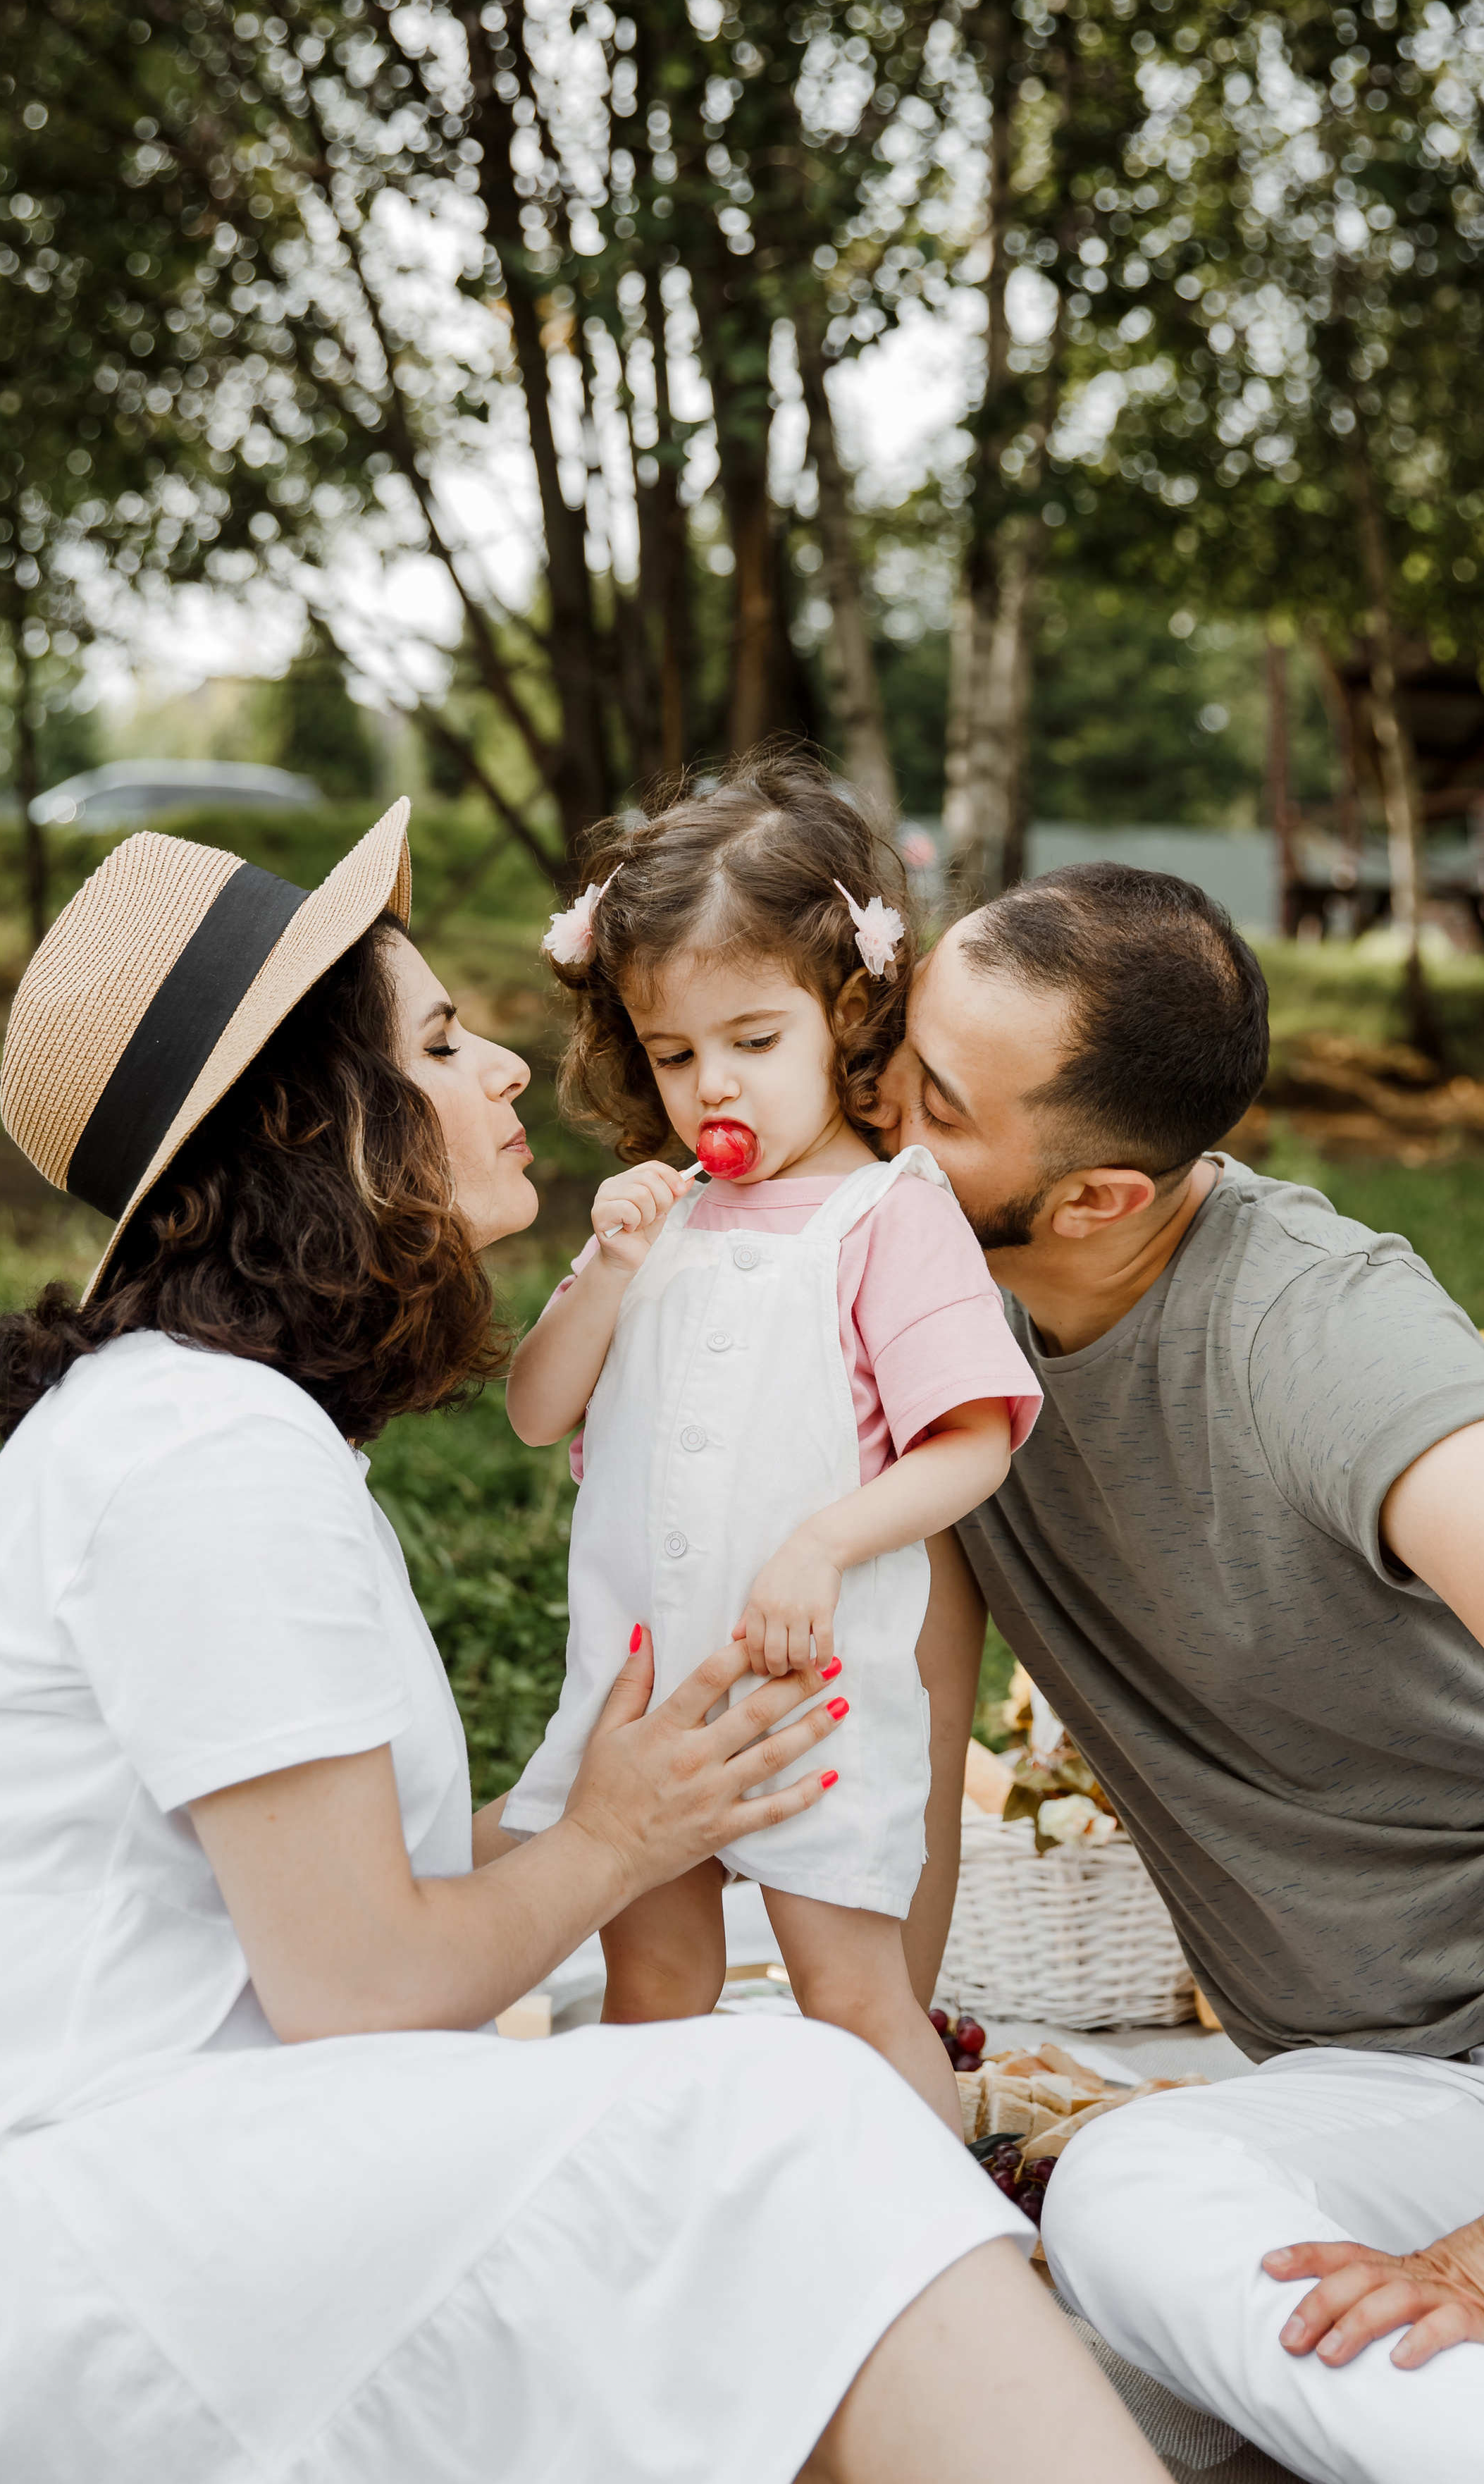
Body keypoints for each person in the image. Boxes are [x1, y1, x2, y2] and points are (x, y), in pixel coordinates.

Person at [0, 803, 1163, 2484]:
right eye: (437, 1037)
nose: (501, 1070)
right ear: (311, 1121)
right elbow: (360, 1985)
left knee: (779, 2112)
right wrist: (625, 1832)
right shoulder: (205, 1461)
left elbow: (346, 1900)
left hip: (143, 2151)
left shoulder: (221, 1429)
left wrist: (628, 1811)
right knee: (793, 2121)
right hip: (53, 2228)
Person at [875, 859, 1484, 2484]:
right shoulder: (934, 1337)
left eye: (932, 1102)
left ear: (1097, 1196)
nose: (871, 1106)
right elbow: (911, 1772)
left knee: (1132, 2196)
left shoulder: (1304, 1317)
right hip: (1406, 2080)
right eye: (896, 1052)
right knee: (1130, 2196)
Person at [503, 756, 1041, 2128]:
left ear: (847, 1015)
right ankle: (647, 2228)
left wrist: (822, 1543)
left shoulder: (887, 1217)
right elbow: (535, 1407)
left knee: (852, 1998)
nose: (709, 1089)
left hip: (810, 1696)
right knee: (653, 1981)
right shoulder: (658, 1217)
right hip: (643, 1697)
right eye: (673, 1055)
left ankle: (943, 2253)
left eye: (753, 1041)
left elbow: (972, 1441)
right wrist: (608, 1270)